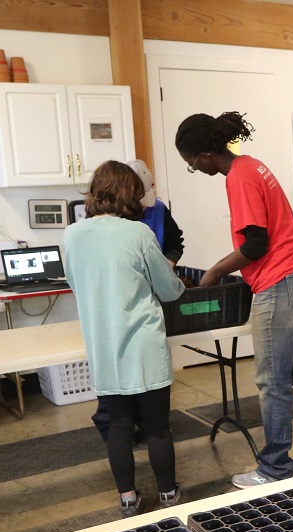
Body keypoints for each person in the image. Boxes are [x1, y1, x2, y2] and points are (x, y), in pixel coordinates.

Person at [175, 110, 293, 488]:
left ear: (204, 155)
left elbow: (256, 245)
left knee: (273, 381)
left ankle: (274, 468)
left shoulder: (239, 178)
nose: (195, 170)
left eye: (191, 164)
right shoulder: (253, 165)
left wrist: (213, 272)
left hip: (281, 281)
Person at [63, 160, 186, 517]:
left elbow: (76, 284)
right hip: (143, 345)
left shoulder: (72, 235)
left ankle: (128, 499)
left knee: (118, 427)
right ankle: (167, 495)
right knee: (157, 428)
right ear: (129, 194)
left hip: (103, 345)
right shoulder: (138, 234)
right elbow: (168, 290)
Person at [89, 158, 187, 443]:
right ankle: (116, 427)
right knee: (116, 383)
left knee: (147, 379)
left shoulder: (158, 211)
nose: (144, 206)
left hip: (149, 301)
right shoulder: (97, 226)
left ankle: (146, 425)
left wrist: (167, 263)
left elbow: (175, 241)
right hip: (115, 308)